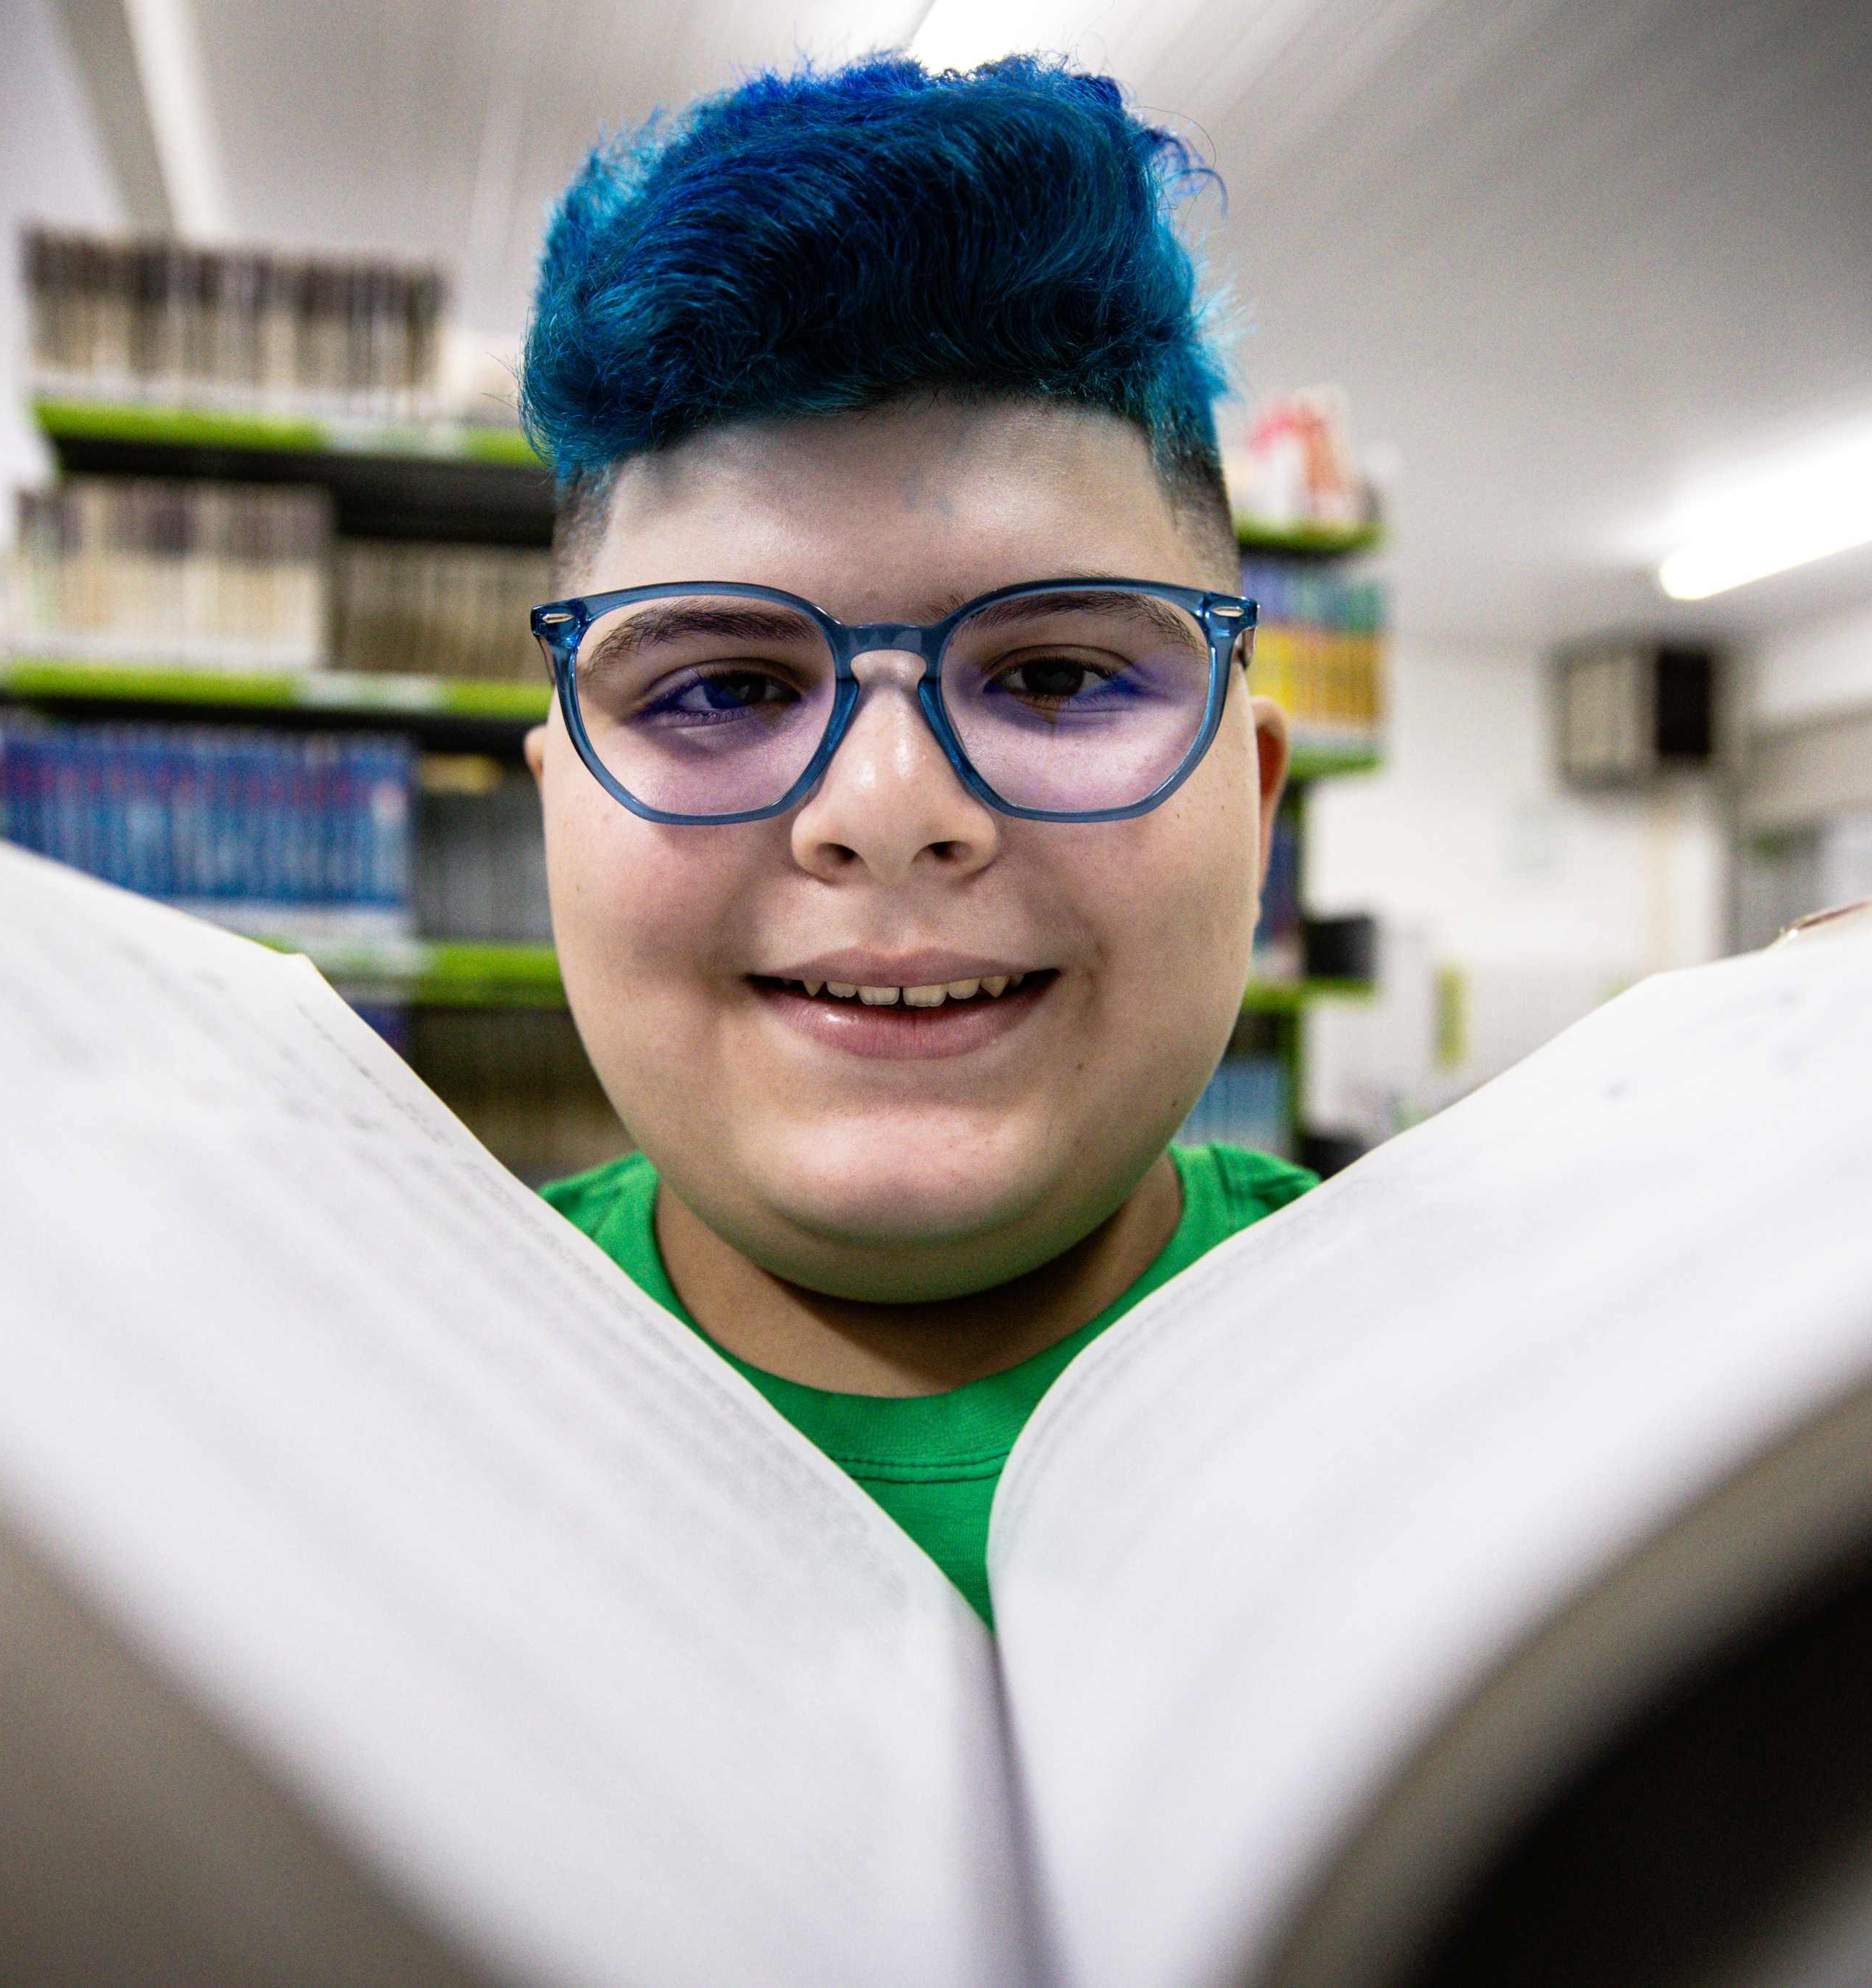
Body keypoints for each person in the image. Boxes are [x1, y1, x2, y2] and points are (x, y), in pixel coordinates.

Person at [523, 53, 1312, 1622]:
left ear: (1259, 790)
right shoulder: (351, 1397)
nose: (888, 817)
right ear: (555, 798)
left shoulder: (1519, 1385)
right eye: (720, 685)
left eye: (1060, 674)